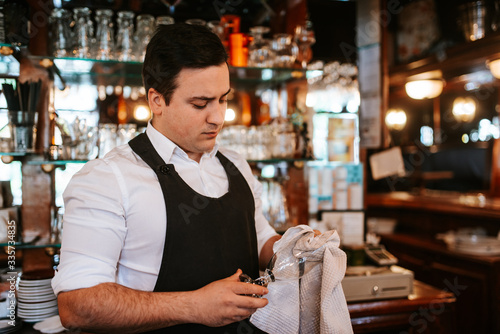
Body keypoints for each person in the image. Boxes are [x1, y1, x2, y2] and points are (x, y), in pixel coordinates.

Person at [52, 23, 281, 334]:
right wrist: (194, 306)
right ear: (157, 100)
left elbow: (262, 240)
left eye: (223, 99)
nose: (217, 117)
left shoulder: (236, 164)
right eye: (200, 104)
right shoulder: (108, 179)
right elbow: (78, 305)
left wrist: (297, 249)